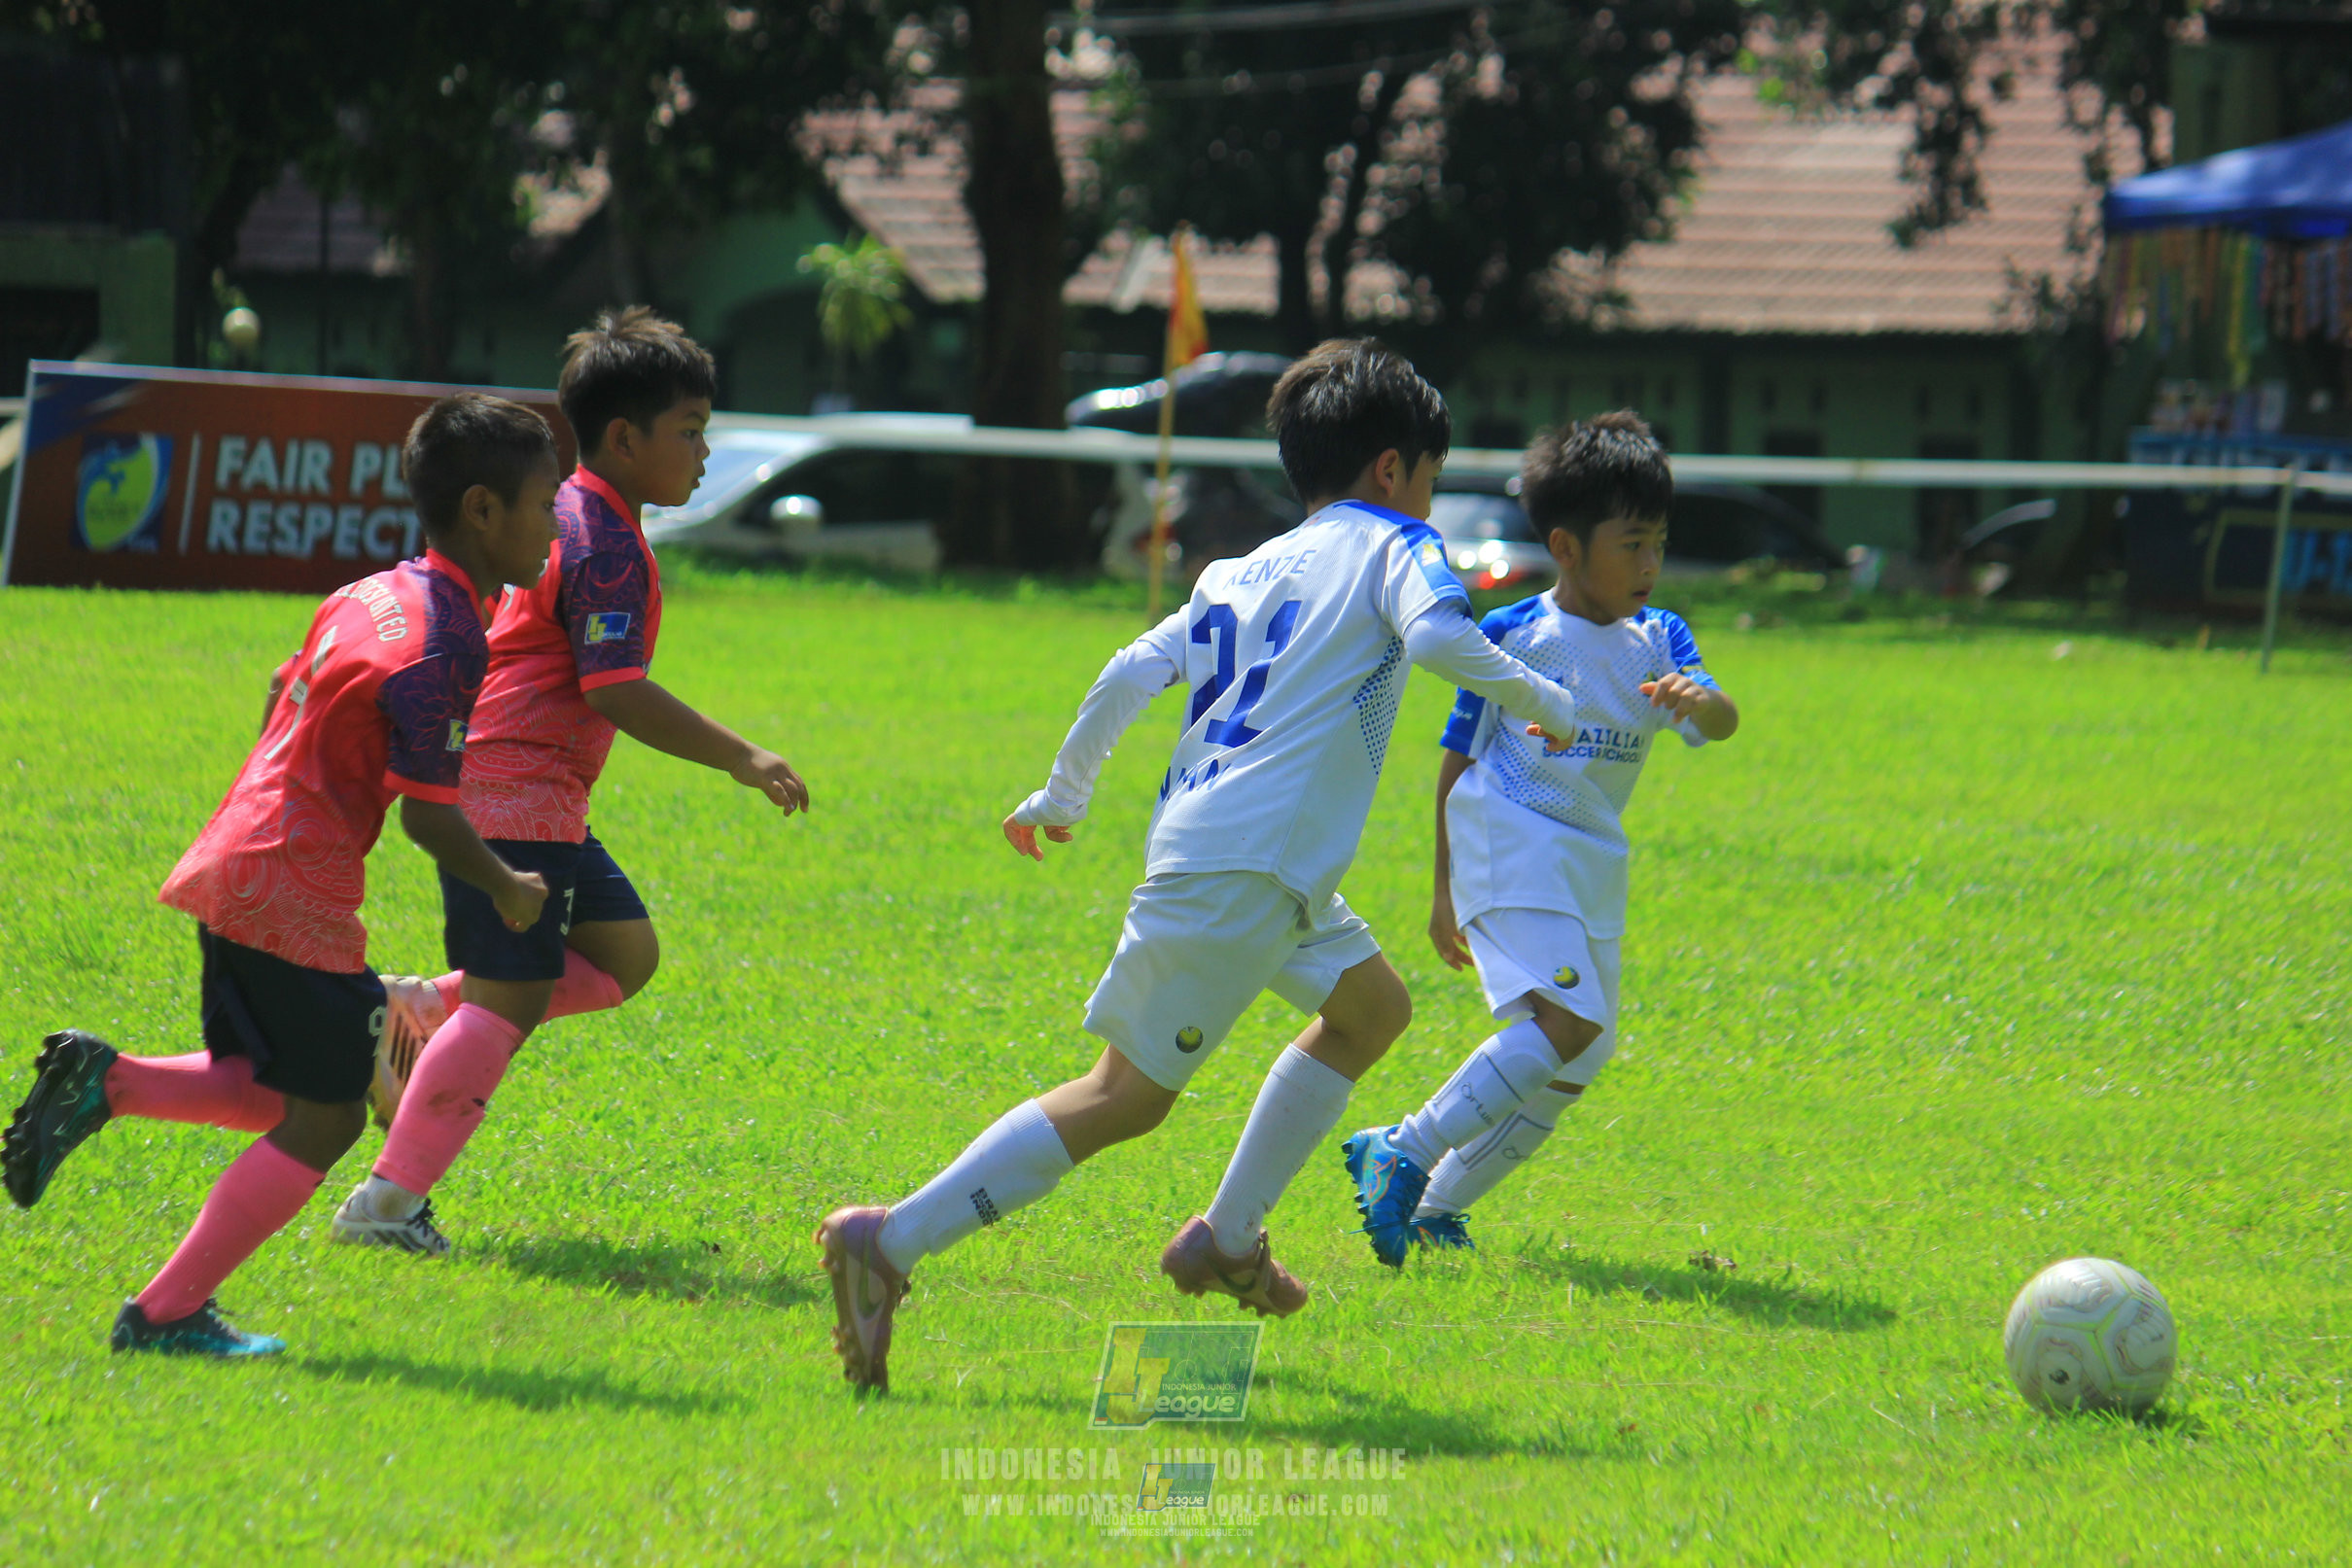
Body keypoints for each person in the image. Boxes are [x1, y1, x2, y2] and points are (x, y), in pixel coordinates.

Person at [814, 338, 1586, 1393]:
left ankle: (1227, 1237)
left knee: (1371, 1009)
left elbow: (1131, 664)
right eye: (1431, 478)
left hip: (1251, 859)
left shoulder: (1244, 565)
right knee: (1123, 1096)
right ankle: (888, 1242)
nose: (1429, 497)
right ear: (1395, 469)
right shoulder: (1398, 546)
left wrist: (1065, 790)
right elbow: (1441, 642)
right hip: (1248, 868)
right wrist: (1548, 703)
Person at [1, 394, 560, 1355]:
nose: (554, 524)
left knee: (272, 1086)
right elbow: (428, 809)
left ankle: (110, 1079)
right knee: (334, 1111)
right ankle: (164, 1313)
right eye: (545, 503)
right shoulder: (450, 641)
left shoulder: (372, 591)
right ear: (482, 509)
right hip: (291, 887)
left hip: (237, 854)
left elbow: (279, 685)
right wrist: (506, 884)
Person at [331, 307, 811, 1256]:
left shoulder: (578, 509)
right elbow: (615, 686)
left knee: (625, 953)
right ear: (624, 438)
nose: (705, 452)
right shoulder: (603, 539)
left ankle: (421, 1006)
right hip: (512, 788)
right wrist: (742, 755)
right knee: (511, 1002)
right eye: (689, 431)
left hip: (525, 790)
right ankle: (386, 1204)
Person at [1344, 411, 1739, 1264]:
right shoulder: (1512, 636)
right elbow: (1455, 761)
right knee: (1563, 1022)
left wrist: (1701, 702)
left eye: (1658, 544)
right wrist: (1443, 889)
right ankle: (1402, 1148)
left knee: (1578, 1054)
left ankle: (1434, 1207)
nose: (1648, 564)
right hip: (1507, 837)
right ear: (1565, 545)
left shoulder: (1660, 637)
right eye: (1630, 543)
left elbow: (1724, 717)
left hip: (1589, 857)